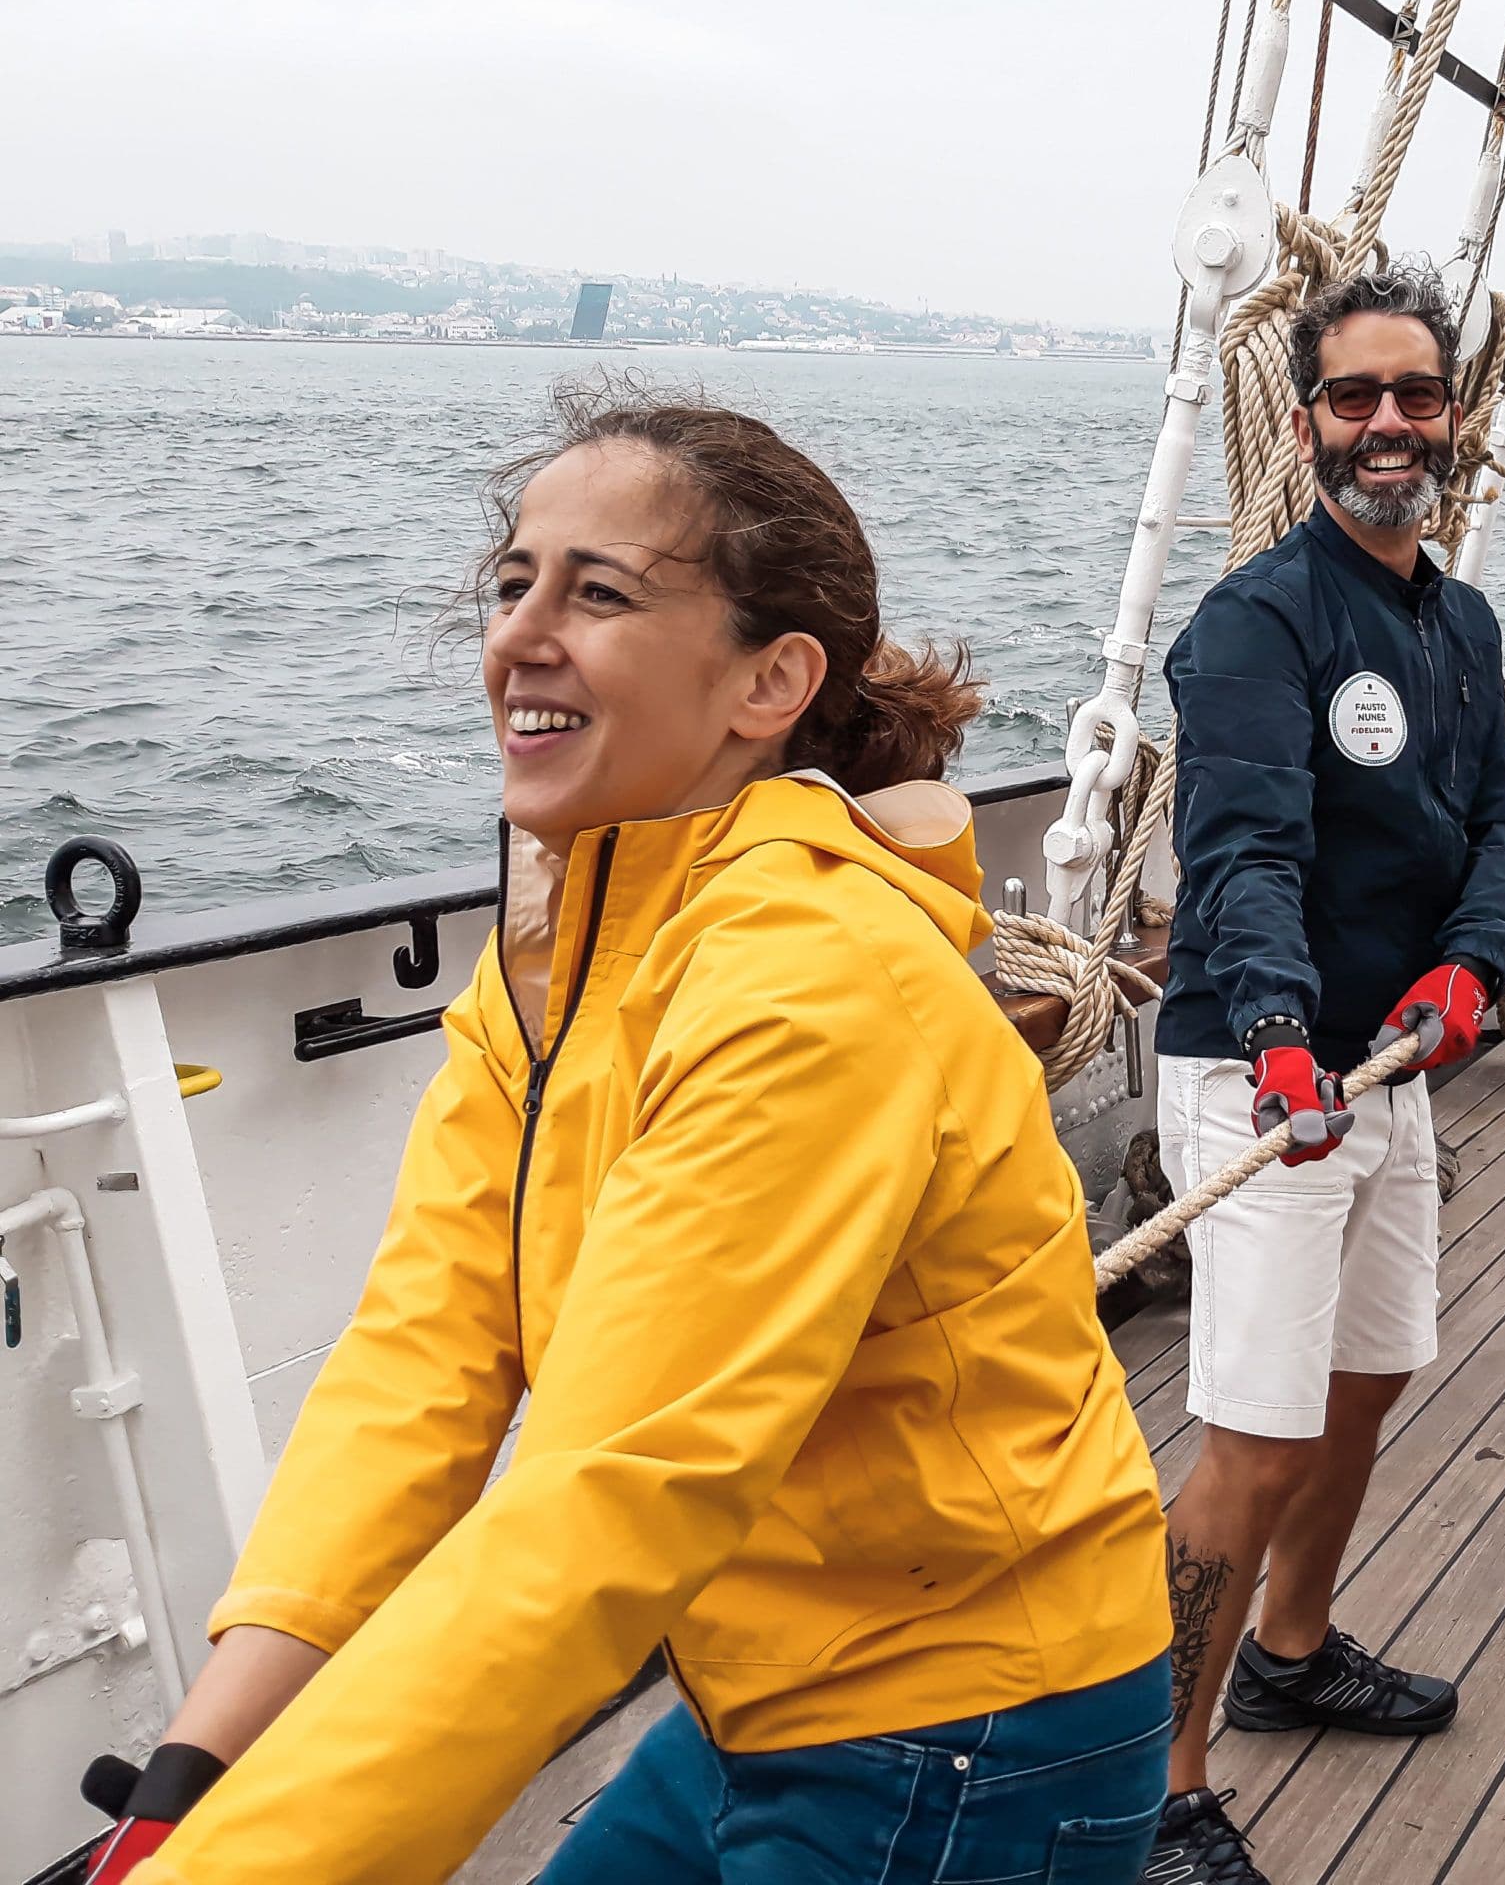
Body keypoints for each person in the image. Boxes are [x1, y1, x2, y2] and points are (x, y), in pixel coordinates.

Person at [79, 391, 1177, 1885]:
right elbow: (430, 1355)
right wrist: (193, 1766)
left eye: (598, 592)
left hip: (969, 1725)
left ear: (771, 680)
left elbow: (612, 1490)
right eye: (513, 580)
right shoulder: (562, 955)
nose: (522, 634)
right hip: (756, 1682)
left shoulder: (811, 978)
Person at [1147, 264, 1505, 1883]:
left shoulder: (1462, 619)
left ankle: (1291, 1655)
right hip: (1267, 1078)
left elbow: (1501, 823)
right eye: (1356, 396)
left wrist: (1475, 959)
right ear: (1307, 423)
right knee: (1248, 1424)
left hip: (1392, 1069)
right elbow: (1242, 852)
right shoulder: (1258, 622)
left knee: (1368, 1378)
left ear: (1455, 416)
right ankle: (1155, 1785)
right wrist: (1283, 1037)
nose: (1389, 422)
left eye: (1416, 394)